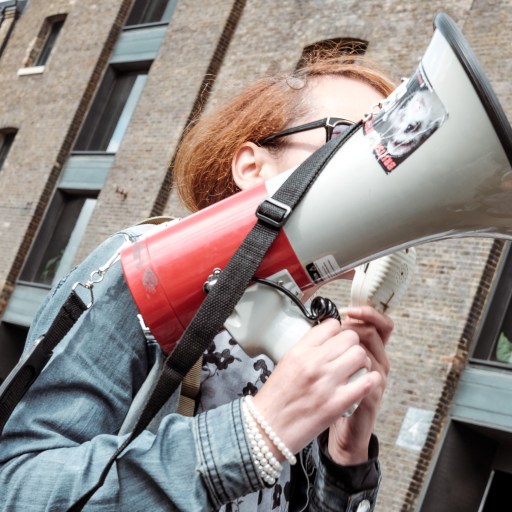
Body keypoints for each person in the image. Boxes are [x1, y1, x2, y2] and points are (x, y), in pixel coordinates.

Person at [0, 51, 396, 511]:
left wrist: (346, 459)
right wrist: (254, 436)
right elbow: (16, 486)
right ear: (252, 169)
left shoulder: (310, 333)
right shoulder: (148, 269)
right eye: (346, 140)